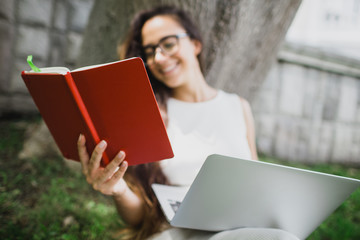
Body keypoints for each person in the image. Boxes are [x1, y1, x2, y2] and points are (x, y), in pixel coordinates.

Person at [77, 5, 300, 240]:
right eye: (150, 51)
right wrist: (119, 190)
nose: (159, 58)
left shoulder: (238, 107)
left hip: (237, 230)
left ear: (195, 44)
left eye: (169, 44)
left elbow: (256, 182)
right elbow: (140, 216)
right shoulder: (149, 116)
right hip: (176, 234)